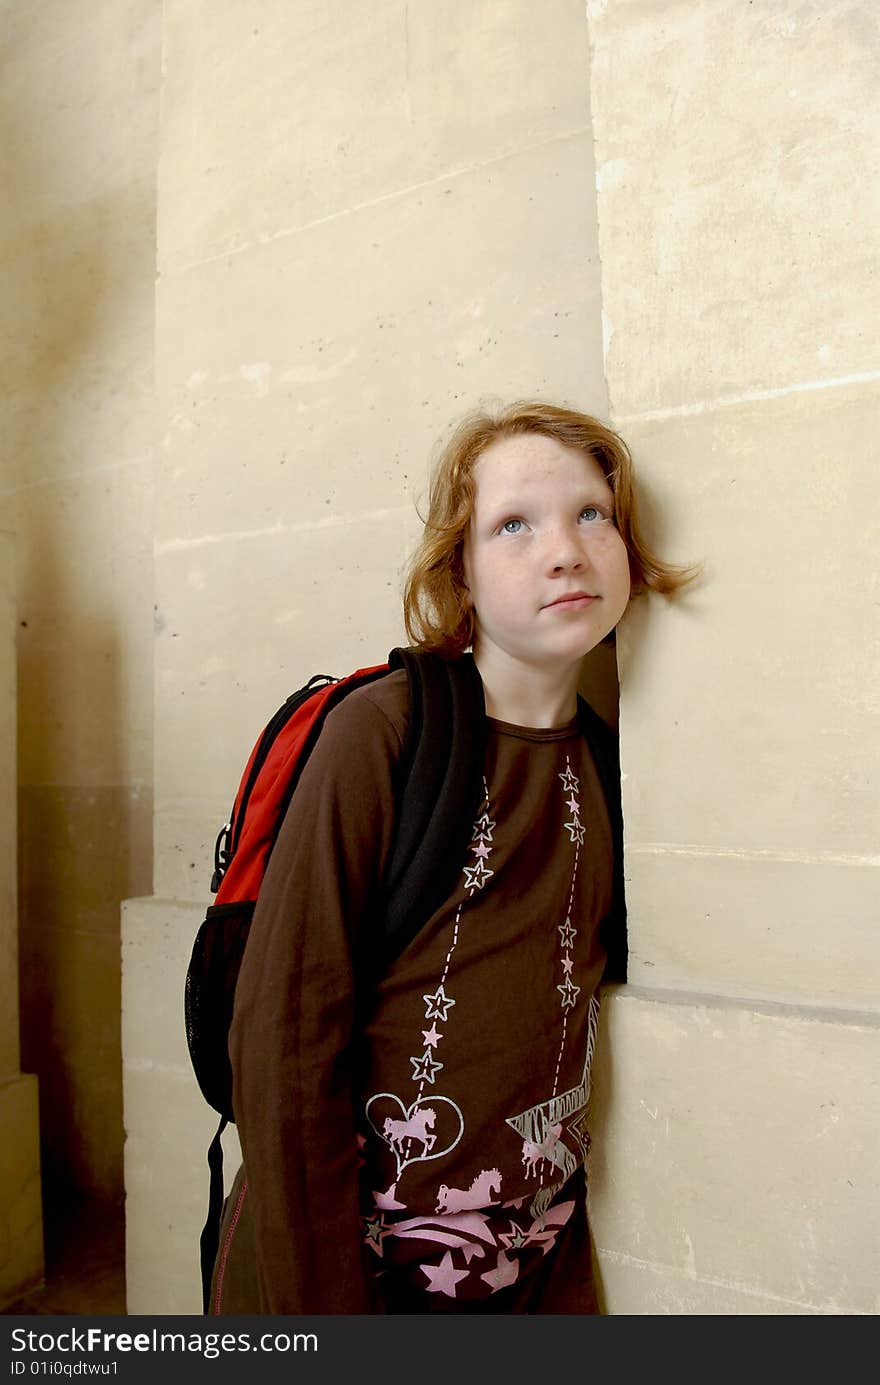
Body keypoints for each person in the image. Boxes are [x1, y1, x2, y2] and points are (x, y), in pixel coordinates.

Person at [209, 400, 694, 1314]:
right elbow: (283, 1041)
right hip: (358, 1273)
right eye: (513, 524)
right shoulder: (384, 735)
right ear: (460, 571)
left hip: (533, 1262)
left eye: (592, 512)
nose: (565, 549)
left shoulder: (606, 758)